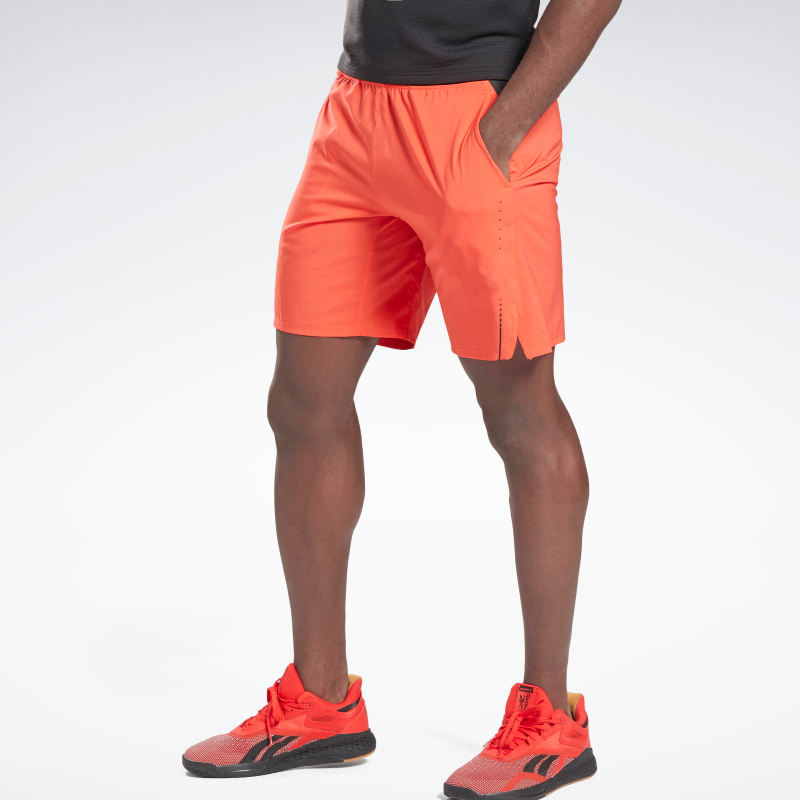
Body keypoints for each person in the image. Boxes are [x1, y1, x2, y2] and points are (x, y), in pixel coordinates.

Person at [182, 1, 621, 796]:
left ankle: (550, 719)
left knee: (519, 410)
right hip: (357, 112)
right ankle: (321, 703)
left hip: (480, 114)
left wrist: (504, 127)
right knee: (303, 400)